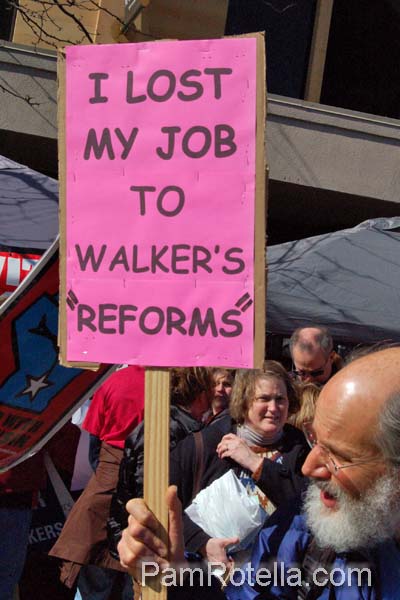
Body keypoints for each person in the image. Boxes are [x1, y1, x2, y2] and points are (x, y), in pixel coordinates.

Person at [118, 347, 400, 600]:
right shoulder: (299, 528)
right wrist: (180, 578)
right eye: (316, 441)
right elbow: (244, 594)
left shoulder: (295, 459)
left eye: (340, 455)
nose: (308, 468)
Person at [169, 361, 309, 566]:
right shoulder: (204, 443)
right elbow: (165, 502)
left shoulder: (300, 449)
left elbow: (306, 506)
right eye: (264, 398)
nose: (273, 408)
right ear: (244, 401)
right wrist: (202, 543)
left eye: (280, 399)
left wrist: (257, 464)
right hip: (206, 576)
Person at [50, 365, 145, 600]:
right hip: (142, 500)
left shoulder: (113, 381)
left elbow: (95, 441)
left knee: (96, 585)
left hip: (104, 499)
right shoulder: (175, 386)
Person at [107, 367, 213, 560]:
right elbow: (147, 487)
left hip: (136, 531)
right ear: (202, 394)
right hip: (149, 538)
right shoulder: (176, 430)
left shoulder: (162, 421)